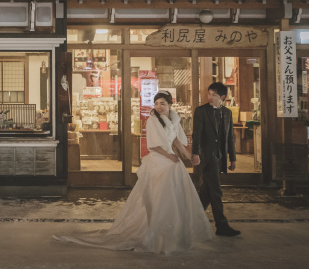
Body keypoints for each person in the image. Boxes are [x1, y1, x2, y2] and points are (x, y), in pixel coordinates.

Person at [53, 91, 213, 254]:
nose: (158, 107)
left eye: (162, 103)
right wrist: (169, 156)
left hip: (171, 162)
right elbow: (154, 145)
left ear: (170, 105)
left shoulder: (174, 120)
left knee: (174, 198)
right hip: (159, 161)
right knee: (159, 198)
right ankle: (155, 235)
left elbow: (178, 141)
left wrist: (190, 157)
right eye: (156, 103)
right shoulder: (152, 121)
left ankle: (174, 234)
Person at [191, 82, 241, 237]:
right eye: (209, 94)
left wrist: (232, 158)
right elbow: (197, 133)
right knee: (217, 191)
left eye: (214, 95)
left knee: (207, 191)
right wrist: (195, 153)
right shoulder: (201, 111)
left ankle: (189, 218)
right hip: (207, 157)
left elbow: (230, 137)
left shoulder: (227, 113)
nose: (210, 97)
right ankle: (221, 225)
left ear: (223, 97)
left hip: (220, 157)